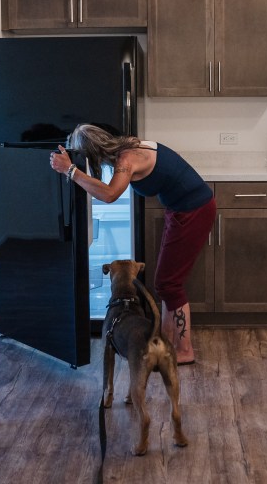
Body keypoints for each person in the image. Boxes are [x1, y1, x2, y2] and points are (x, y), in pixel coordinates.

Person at [49, 124, 216, 365]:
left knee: (169, 284)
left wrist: (71, 171)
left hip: (194, 210)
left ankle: (185, 350)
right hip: (180, 208)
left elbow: (109, 195)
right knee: (166, 283)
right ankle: (167, 343)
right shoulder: (128, 146)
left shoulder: (126, 159)